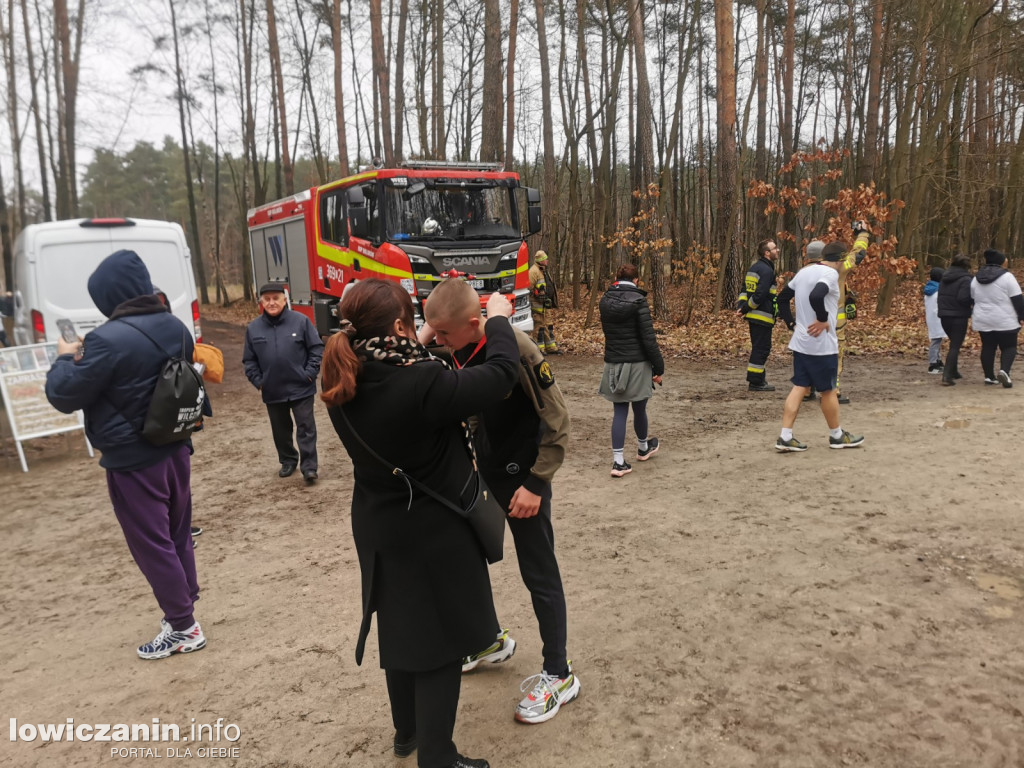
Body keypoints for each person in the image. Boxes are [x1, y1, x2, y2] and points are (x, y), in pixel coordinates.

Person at [321, 279, 519, 768]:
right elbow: (499, 376)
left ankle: (406, 732)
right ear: (397, 327)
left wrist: (418, 331)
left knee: (401, 627)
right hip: (433, 530)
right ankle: (438, 755)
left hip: (379, 524)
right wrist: (496, 319)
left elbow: (399, 360)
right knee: (441, 642)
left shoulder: (345, 374)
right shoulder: (421, 382)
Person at [421, 278, 579, 725]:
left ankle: (559, 673)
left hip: (524, 483)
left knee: (538, 571)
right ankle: (488, 640)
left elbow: (559, 421)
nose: (438, 343)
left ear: (476, 324)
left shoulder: (519, 349)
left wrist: (536, 483)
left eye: (444, 335)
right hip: (485, 477)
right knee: (466, 559)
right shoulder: (459, 345)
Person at [44, 249, 206, 660]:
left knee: (152, 545)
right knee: (176, 533)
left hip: (134, 460)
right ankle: (183, 604)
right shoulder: (175, 325)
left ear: (108, 296)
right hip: (176, 446)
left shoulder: (105, 340)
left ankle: (184, 627)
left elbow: (64, 394)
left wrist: (66, 356)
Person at [775, 245, 864, 451]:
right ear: (840, 260)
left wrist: (791, 323)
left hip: (801, 341)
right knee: (828, 391)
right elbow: (817, 295)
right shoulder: (830, 274)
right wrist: (823, 319)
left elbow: (782, 298)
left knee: (800, 386)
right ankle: (837, 436)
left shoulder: (803, 272)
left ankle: (785, 436)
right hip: (822, 344)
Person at [243, 283, 324, 482]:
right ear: (261, 302)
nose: (271, 302)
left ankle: (309, 467)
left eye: (275, 298)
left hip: (301, 387)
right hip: (272, 390)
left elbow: (316, 349)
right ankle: (288, 460)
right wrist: (259, 382)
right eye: (267, 299)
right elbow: (249, 360)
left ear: (284, 299)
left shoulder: (301, 321)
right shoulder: (253, 328)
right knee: (280, 430)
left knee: (306, 427)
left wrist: (309, 373)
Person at [598, 263, 664, 477]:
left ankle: (618, 462)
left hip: (614, 362)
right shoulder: (639, 301)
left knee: (619, 410)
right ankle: (643, 448)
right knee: (639, 407)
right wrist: (658, 367)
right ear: (636, 280)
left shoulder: (605, 301)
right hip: (637, 363)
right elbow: (649, 339)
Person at [970, 248, 1024, 388]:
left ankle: (989, 376)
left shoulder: (976, 278)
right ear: (1001, 262)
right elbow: (1018, 299)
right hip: (1005, 319)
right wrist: (1021, 315)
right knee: (1009, 347)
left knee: (988, 347)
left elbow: (972, 297)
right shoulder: (1007, 277)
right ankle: (1004, 371)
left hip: (982, 319)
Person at [831, 221, 871, 404]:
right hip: (835, 321)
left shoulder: (808, 270)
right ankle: (833, 389)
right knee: (836, 353)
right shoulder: (839, 268)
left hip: (812, 320)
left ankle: (808, 389)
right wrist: (862, 232)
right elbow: (859, 253)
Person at [736, 238, 780, 391]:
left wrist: (741, 306)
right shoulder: (767, 271)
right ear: (767, 253)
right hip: (762, 316)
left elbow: (744, 289)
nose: (777, 251)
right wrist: (746, 308)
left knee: (758, 348)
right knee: (762, 348)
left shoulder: (754, 268)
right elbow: (760, 295)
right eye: (775, 249)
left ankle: (759, 378)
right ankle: (755, 381)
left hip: (754, 317)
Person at [937, 254, 973, 386]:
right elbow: (963, 298)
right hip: (958, 316)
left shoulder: (944, 277)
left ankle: (954, 371)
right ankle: (946, 376)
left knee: (954, 344)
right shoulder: (966, 279)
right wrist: (972, 302)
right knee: (955, 346)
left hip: (944, 316)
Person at [529, 251, 559, 354]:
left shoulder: (543, 270)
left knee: (548, 325)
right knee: (539, 326)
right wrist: (537, 293)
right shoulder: (533, 271)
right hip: (537, 305)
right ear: (541, 261)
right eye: (545, 259)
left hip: (545, 304)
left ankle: (550, 347)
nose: (547, 260)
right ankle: (539, 349)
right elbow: (529, 288)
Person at [923, 267, 947, 374]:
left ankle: (937, 360)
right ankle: (933, 364)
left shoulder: (930, 290)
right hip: (937, 318)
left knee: (937, 339)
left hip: (933, 318)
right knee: (935, 341)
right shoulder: (938, 291)